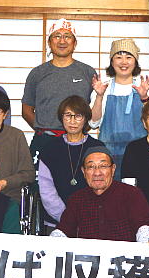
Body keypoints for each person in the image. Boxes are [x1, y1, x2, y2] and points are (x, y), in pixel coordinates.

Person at [22, 18, 95, 163]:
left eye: (67, 36)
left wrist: (79, 130)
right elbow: (26, 110)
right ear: (49, 42)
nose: (62, 41)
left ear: (74, 43)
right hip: (44, 141)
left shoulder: (88, 72)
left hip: (78, 141)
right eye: (57, 36)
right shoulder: (37, 73)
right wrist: (43, 130)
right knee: (41, 178)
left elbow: (96, 108)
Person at [52, 146, 149, 242]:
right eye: (91, 167)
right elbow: (64, 230)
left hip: (124, 253)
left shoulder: (131, 194)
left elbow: (143, 228)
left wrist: (146, 244)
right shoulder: (77, 199)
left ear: (113, 169)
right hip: (88, 253)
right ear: (83, 171)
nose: (97, 173)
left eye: (103, 166)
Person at [89, 38, 149, 177]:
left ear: (135, 61)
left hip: (140, 153)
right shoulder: (103, 87)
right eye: (118, 57)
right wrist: (99, 96)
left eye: (129, 57)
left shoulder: (145, 88)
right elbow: (93, 123)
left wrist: (144, 98)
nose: (124, 62)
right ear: (112, 62)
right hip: (108, 156)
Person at [38, 95, 104, 231]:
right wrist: (67, 218)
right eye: (68, 115)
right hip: (56, 222)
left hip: (91, 221)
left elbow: (103, 186)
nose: (72, 121)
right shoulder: (49, 149)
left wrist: (84, 217)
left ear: (85, 118)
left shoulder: (97, 148)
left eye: (78, 116)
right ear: (61, 118)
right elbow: (46, 191)